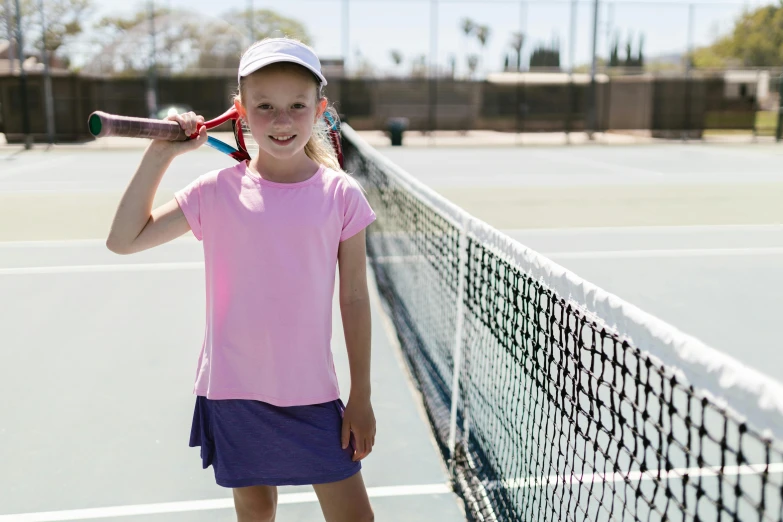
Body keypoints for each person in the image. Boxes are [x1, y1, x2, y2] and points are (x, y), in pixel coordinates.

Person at [105, 37, 377, 522]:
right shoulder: (215, 192)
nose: (281, 120)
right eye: (265, 106)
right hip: (234, 391)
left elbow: (354, 298)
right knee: (256, 511)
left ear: (321, 109)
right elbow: (124, 239)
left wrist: (361, 396)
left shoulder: (342, 194)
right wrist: (160, 155)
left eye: (297, 105)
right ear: (241, 111)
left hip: (313, 392)